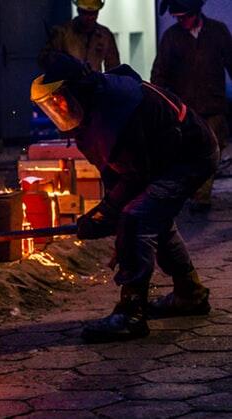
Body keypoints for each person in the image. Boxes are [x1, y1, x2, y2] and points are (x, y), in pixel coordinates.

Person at [31, 53, 219, 343]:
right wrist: (108, 213)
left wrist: (109, 215)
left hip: (190, 156)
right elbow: (112, 173)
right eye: (53, 105)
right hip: (161, 159)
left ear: (76, 89)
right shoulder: (88, 114)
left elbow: (137, 176)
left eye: (60, 100)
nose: (59, 108)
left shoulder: (119, 107)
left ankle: (131, 313)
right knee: (152, 218)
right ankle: (189, 293)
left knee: (137, 216)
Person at [151, 0, 232, 212]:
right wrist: (158, 102)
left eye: (184, 16)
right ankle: (190, 192)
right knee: (188, 153)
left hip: (214, 107)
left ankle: (201, 197)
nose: (181, 21)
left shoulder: (217, 32)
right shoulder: (172, 38)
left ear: (195, 12)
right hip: (185, 110)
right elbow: (160, 73)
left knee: (212, 152)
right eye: (177, 17)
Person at [40, 0, 119, 72]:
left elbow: (114, 68)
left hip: (95, 85)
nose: (90, 17)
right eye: (86, 13)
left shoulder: (105, 35)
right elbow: (45, 61)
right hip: (69, 85)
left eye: (93, 13)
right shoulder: (62, 33)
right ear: (79, 10)